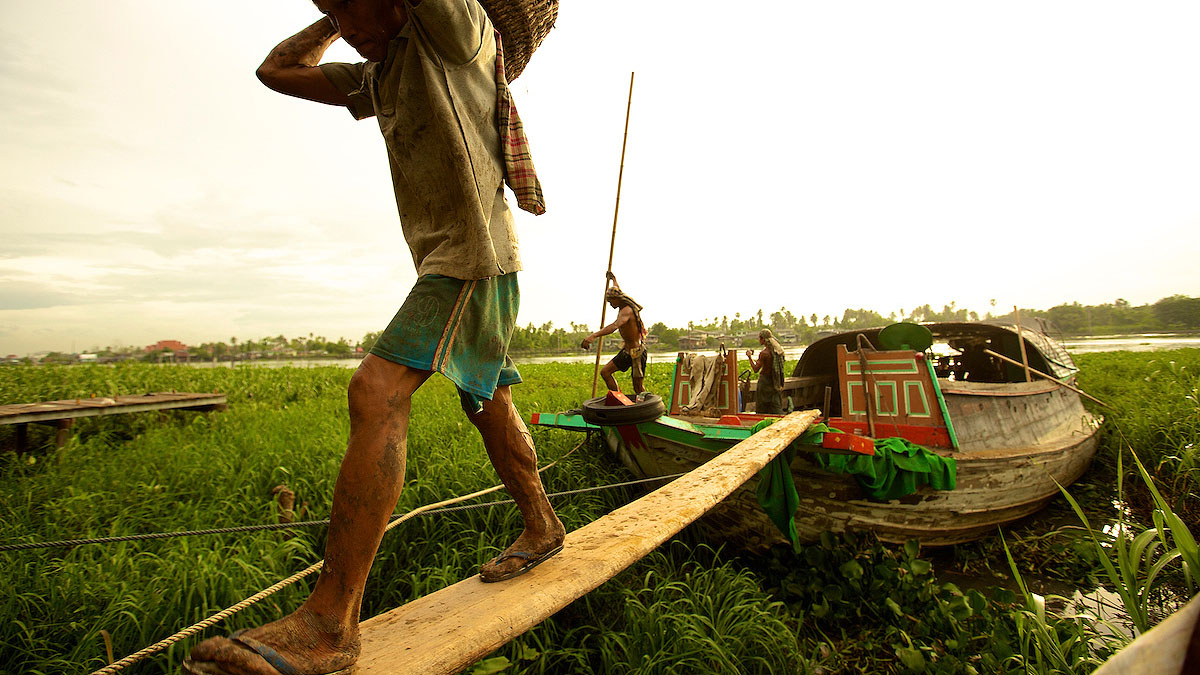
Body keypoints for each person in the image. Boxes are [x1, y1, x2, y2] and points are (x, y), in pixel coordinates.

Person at [184, 1, 564, 673]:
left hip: (471, 257)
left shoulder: (456, 33)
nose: (344, 21)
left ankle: (331, 622)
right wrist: (336, 19)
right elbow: (276, 69)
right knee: (487, 400)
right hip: (464, 259)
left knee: (377, 388)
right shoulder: (377, 76)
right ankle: (542, 522)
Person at [580, 272, 648, 396]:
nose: (610, 305)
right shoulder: (621, 302)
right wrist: (613, 279)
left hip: (637, 352)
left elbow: (614, 326)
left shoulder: (626, 311)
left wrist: (593, 335)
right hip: (626, 352)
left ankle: (653, 410)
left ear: (617, 299)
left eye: (611, 302)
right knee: (605, 372)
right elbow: (617, 289)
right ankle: (619, 399)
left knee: (638, 387)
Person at [745, 328, 787, 414]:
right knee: (776, 407)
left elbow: (755, 369)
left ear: (763, 339)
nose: (759, 340)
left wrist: (749, 357)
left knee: (762, 408)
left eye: (759, 338)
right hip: (775, 383)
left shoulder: (764, 353)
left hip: (764, 383)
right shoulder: (777, 352)